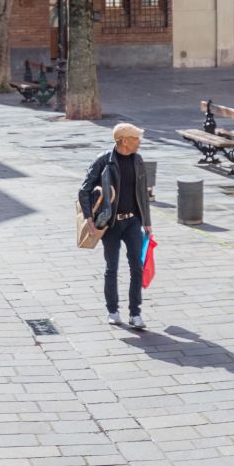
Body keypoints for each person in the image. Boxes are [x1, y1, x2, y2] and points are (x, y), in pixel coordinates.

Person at [80, 123, 150, 329]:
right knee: (112, 268)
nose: (140, 142)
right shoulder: (104, 161)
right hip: (110, 223)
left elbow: (143, 194)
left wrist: (147, 222)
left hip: (133, 222)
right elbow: (84, 190)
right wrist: (89, 219)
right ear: (124, 141)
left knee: (137, 267)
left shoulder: (138, 160)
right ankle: (113, 310)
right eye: (136, 139)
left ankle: (135, 313)